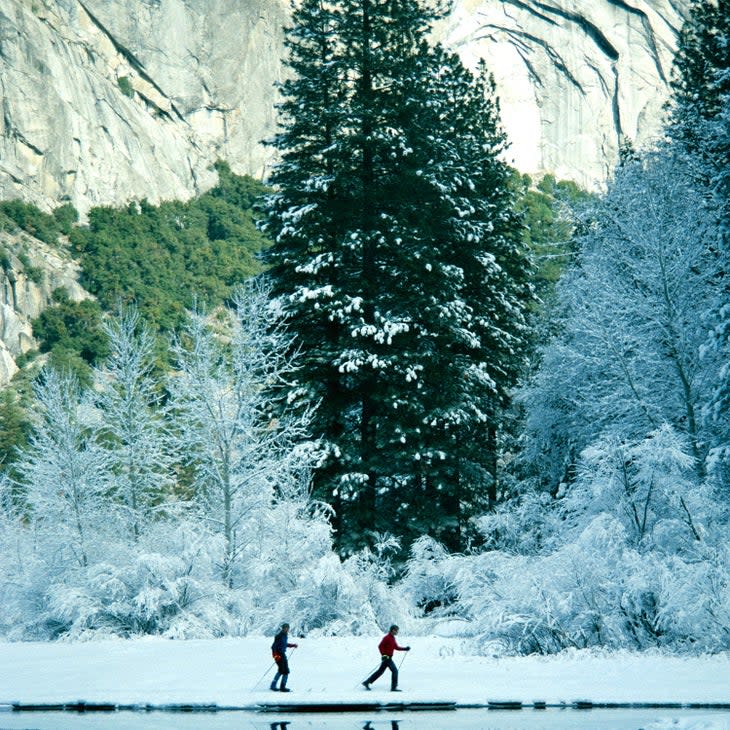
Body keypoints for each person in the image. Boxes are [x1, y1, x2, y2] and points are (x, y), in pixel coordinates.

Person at [362, 624, 410, 692]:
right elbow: (380, 646)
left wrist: (405, 649)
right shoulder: (387, 637)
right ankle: (393, 688)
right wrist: (383, 655)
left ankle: (366, 682)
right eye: (396, 631)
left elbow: (396, 647)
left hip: (388, 658)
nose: (397, 632)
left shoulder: (393, 638)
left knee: (380, 672)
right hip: (387, 659)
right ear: (393, 630)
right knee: (395, 671)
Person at [270, 622, 298, 692]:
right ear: (283, 628)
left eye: (288, 628)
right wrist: (275, 656)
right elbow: (273, 647)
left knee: (286, 671)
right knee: (281, 670)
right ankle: (273, 686)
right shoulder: (279, 636)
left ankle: (282, 687)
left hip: (283, 655)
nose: (287, 629)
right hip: (278, 655)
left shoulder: (285, 636)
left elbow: (284, 644)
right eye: (285, 628)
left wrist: (293, 645)